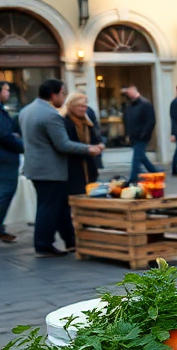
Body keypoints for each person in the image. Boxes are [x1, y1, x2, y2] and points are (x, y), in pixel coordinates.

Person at [19, 79, 102, 256]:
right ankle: (43, 243)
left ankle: (61, 241)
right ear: (53, 94)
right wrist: (89, 149)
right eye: (63, 93)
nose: (64, 97)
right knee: (49, 207)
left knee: (49, 205)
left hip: (34, 167)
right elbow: (63, 144)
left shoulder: (26, 110)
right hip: (51, 170)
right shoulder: (51, 115)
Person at [60, 92, 102, 193]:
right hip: (73, 166)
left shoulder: (88, 119)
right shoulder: (64, 122)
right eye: (81, 106)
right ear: (71, 106)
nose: (84, 108)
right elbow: (65, 143)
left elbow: (95, 137)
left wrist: (99, 145)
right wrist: (87, 149)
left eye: (85, 106)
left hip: (89, 164)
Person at [0, 82, 22, 243]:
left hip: (6, 157)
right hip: (5, 159)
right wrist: (21, 146)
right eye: (6, 90)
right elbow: (4, 136)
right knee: (5, 193)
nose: (8, 93)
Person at [122, 85, 157, 184]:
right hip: (133, 136)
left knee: (136, 158)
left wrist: (144, 133)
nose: (129, 95)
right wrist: (127, 134)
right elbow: (126, 121)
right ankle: (155, 172)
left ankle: (133, 178)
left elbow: (151, 121)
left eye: (130, 92)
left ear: (135, 92)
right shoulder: (129, 106)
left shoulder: (145, 104)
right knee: (141, 157)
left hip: (142, 136)